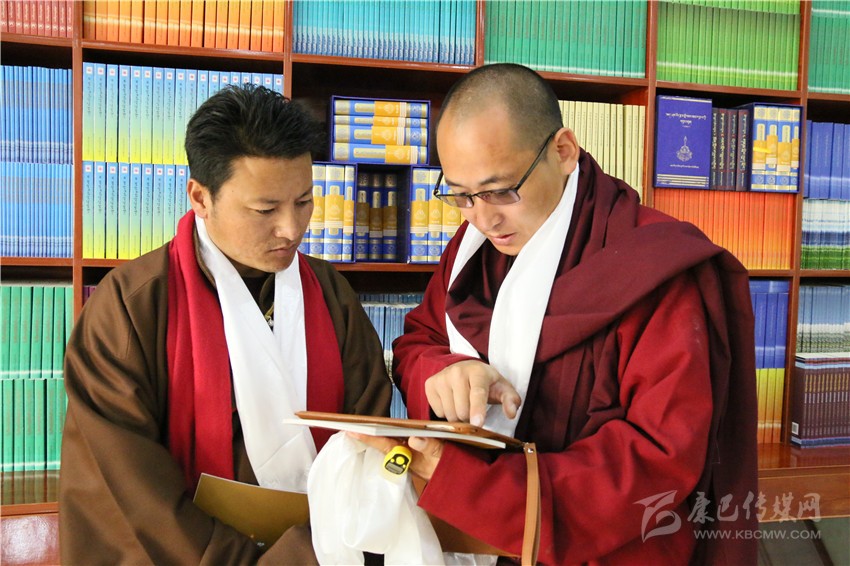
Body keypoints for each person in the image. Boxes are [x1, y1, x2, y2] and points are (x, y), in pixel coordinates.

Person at [383, 64, 758, 564]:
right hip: (472, 536)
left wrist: (482, 489)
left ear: (563, 151)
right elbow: (418, 342)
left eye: (501, 190)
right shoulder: (475, 248)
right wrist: (445, 370)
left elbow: (657, 459)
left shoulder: (655, 268)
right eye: (461, 195)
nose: (484, 217)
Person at [59, 84, 393, 564]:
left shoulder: (330, 294)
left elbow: (369, 438)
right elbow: (130, 487)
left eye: (303, 201)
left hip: (324, 548)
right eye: (265, 210)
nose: (291, 229)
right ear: (200, 196)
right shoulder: (133, 305)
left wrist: (317, 547)